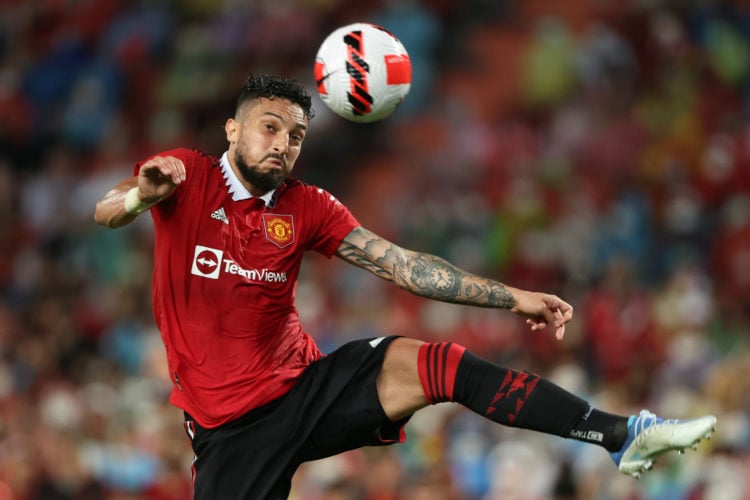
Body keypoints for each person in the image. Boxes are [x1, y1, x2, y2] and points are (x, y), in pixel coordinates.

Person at [94, 74, 717, 499]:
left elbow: (401, 265)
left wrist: (513, 296)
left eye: (296, 136)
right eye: (269, 128)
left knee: (443, 365)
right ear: (232, 130)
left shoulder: (306, 206)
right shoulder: (188, 176)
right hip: (229, 429)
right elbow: (110, 207)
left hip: (304, 389)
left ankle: (621, 435)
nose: (283, 144)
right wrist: (139, 197)